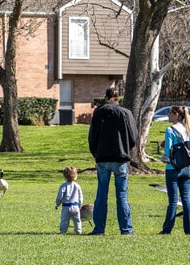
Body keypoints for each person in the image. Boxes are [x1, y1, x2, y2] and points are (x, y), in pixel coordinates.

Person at [87, 87, 138, 235]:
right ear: (118, 98)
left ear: (106, 97)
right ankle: (126, 229)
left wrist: (96, 153)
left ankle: (99, 228)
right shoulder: (125, 113)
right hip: (120, 158)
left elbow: (92, 137)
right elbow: (133, 137)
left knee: (101, 194)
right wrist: (126, 148)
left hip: (102, 158)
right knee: (121, 195)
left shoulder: (98, 113)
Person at [159, 106, 190, 235]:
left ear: (176, 114)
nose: (168, 115)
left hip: (173, 169)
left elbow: (168, 151)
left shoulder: (170, 130)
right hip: (186, 168)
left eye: (169, 113)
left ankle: (167, 229)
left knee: (173, 200)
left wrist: (164, 144)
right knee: (186, 199)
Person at [55, 166, 84, 235]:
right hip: (75, 206)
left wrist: (57, 203)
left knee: (64, 220)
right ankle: (78, 230)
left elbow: (60, 196)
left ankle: (63, 231)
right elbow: (80, 196)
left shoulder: (63, 186)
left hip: (66, 207)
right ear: (76, 176)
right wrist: (80, 204)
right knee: (77, 220)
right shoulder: (77, 186)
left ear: (64, 177)